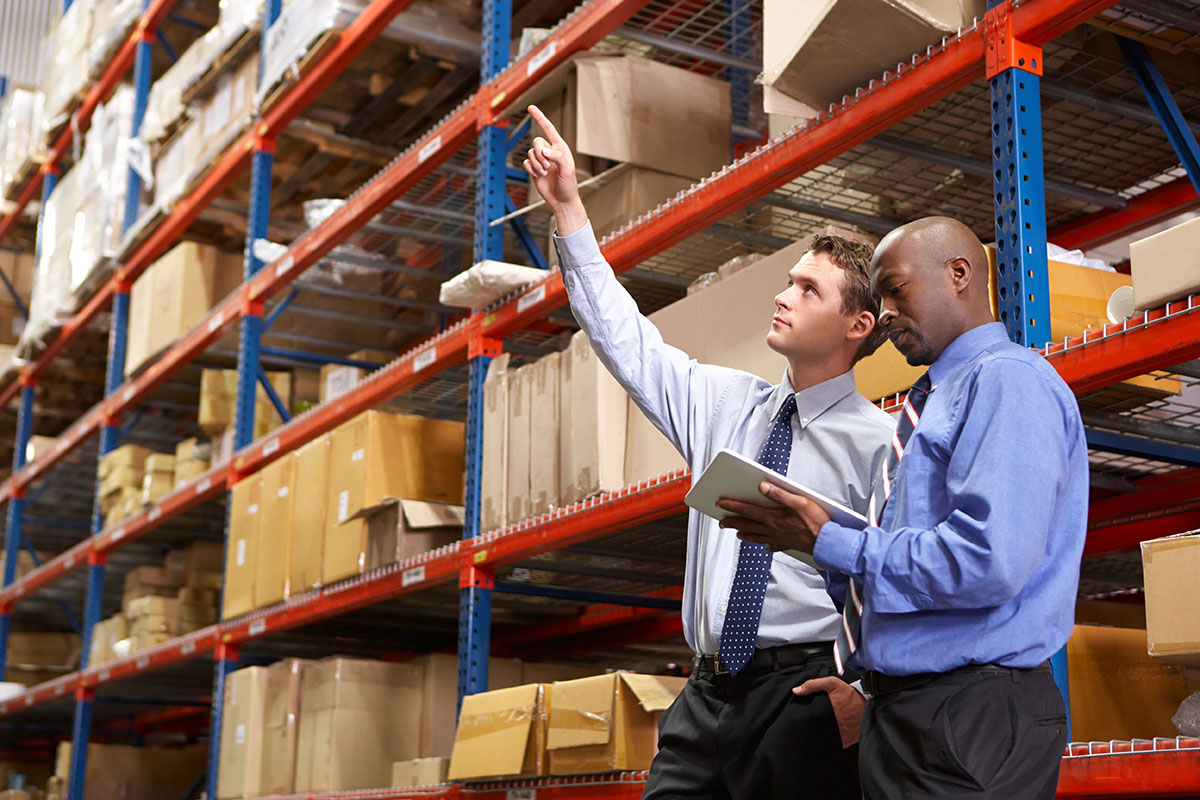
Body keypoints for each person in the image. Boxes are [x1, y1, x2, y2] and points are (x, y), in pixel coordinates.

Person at [522, 104, 894, 800]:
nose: (783, 296)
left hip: (805, 698)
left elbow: (907, 587)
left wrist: (867, 694)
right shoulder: (724, 404)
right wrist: (570, 210)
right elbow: (623, 339)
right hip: (706, 695)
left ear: (857, 324)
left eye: (807, 289)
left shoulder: (880, 448)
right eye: (789, 280)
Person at [725, 216, 1087, 799]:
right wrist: (813, 543)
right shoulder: (925, 408)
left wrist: (836, 541)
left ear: (959, 274)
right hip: (914, 712)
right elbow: (905, 579)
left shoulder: (1006, 383)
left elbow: (987, 561)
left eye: (895, 289)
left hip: (972, 714)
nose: (885, 311)